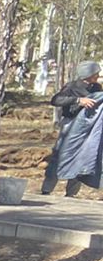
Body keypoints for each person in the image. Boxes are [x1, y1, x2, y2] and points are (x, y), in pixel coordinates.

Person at [41, 59, 101, 196]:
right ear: (88, 74)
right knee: (59, 154)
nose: (97, 76)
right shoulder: (72, 87)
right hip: (70, 124)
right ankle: (47, 189)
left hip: (87, 126)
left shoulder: (96, 88)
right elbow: (56, 100)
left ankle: (71, 193)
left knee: (81, 156)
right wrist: (78, 101)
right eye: (95, 73)